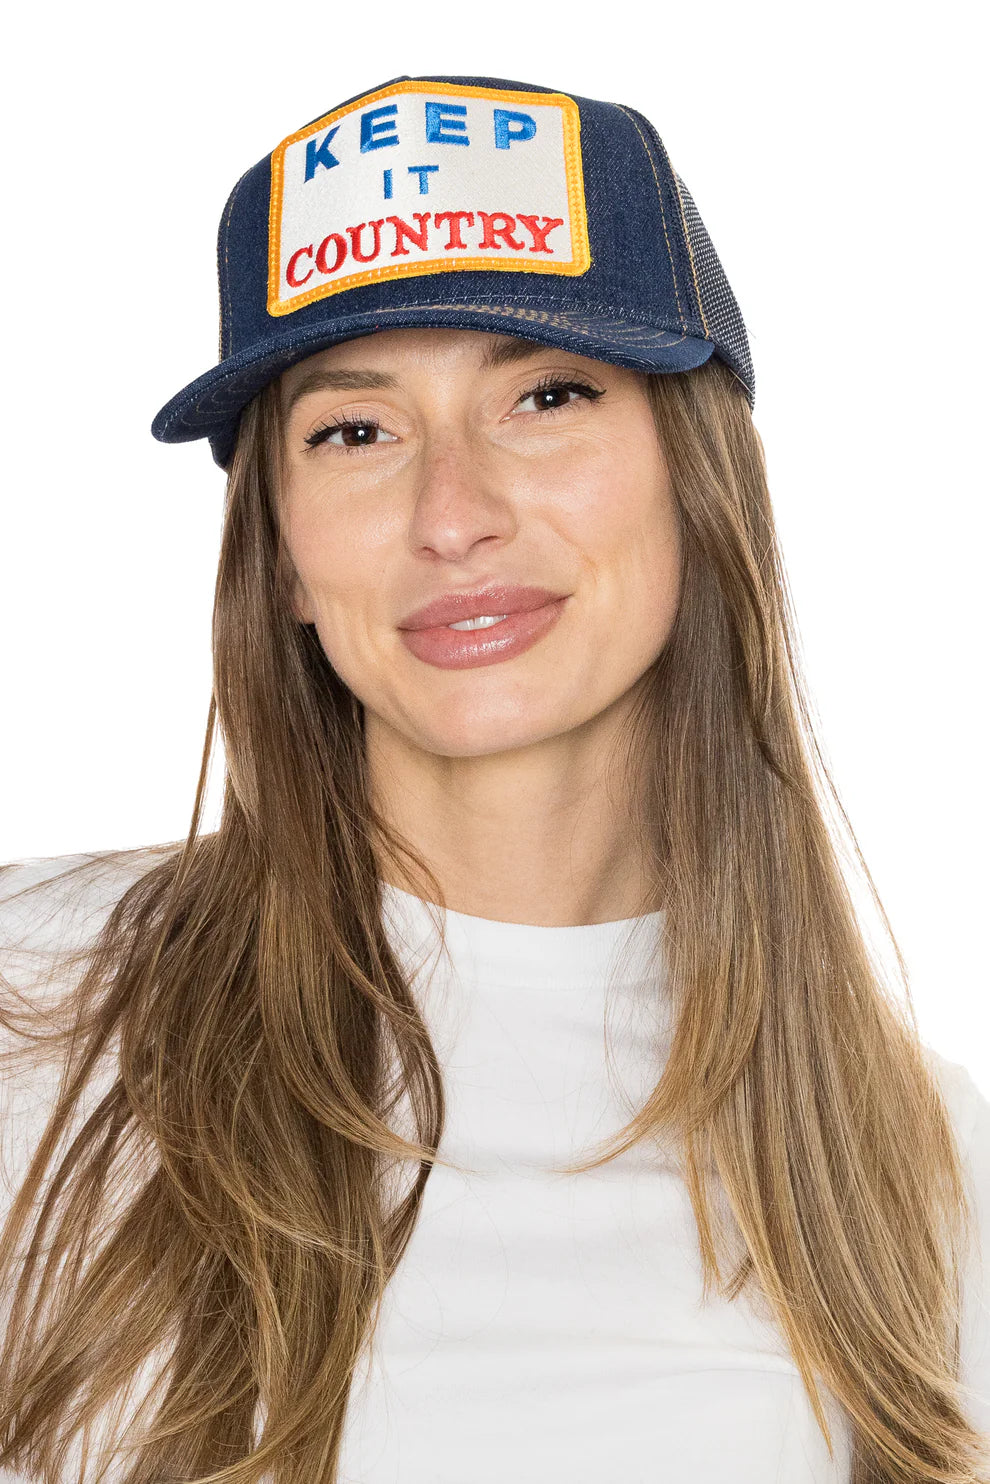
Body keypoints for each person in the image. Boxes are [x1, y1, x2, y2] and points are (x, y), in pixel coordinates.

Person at [0, 72, 987, 1484]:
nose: (452, 514)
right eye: (355, 431)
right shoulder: (31, 1006)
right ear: (281, 554)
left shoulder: (920, 1166)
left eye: (546, 395)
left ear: (697, 479)